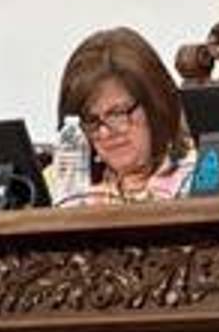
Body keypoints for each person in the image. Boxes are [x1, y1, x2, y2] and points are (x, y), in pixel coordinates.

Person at [51, 27, 194, 205]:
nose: (104, 132)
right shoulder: (65, 191)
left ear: (156, 106)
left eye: (117, 114)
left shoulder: (197, 181)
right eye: (92, 121)